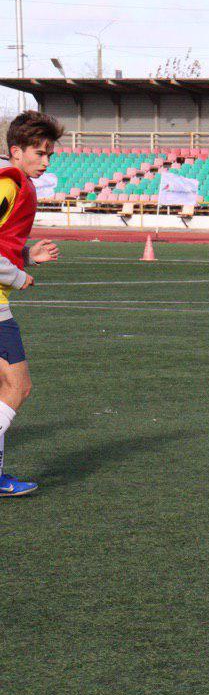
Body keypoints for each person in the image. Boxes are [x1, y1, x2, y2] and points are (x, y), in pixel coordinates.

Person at [0, 111, 64, 497]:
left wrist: (23, 255)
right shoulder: (8, 184)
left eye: (49, 154)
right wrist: (17, 275)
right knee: (18, 388)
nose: (45, 161)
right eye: (38, 153)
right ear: (15, 151)